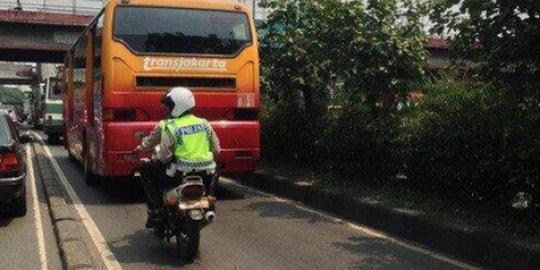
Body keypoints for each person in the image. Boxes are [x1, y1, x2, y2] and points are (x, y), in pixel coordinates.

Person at [135, 87, 220, 228]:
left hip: (179, 174)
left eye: (169, 106)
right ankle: (210, 205)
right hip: (205, 174)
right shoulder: (204, 123)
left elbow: (164, 157)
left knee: (145, 168)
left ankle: (156, 209)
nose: (166, 110)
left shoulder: (171, 126)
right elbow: (216, 149)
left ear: (177, 106)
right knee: (216, 170)